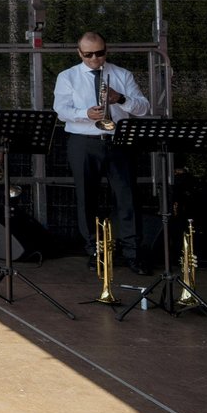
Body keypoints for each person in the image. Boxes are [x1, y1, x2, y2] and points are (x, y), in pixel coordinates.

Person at [53, 31, 152, 275]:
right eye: (88, 55)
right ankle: (95, 251)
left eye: (100, 53)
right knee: (87, 198)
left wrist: (121, 99)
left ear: (106, 50)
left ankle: (133, 253)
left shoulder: (122, 74)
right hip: (83, 141)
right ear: (79, 53)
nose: (95, 59)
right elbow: (60, 110)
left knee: (127, 197)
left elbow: (143, 108)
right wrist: (85, 114)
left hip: (118, 141)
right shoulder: (68, 76)